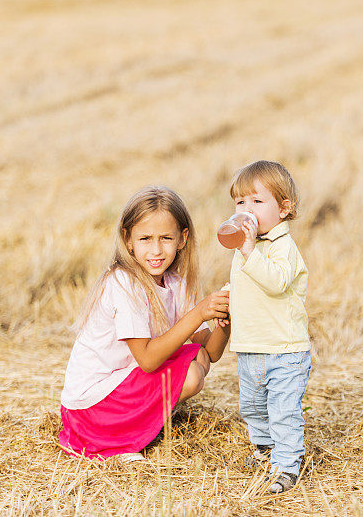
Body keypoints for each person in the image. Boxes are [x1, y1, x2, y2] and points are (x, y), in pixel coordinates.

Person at [58, 186, 231, 461]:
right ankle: (120, 441)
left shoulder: (176, 283)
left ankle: (140, 425)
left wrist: (225, 319)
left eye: (165, 238)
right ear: (128, 240)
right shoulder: (123, 282)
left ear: (182, 239)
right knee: (191, 374)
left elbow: (211, 352)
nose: (156, 249)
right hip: (90, 411)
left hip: (120, 389)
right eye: (145, 238)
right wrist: (197, 314)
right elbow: (148, 361)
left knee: (197, 358)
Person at [225, 160, 311, 493]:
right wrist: (227, 298)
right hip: (251, 347)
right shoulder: (247, 249)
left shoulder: (283, 248)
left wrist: (247, 251)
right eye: (240, 202)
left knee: (283, 411)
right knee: (253, 406)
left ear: (284, 209)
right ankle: (265, 448)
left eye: (256, 202)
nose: (246, 210)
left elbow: (274, 282)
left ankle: (287, 465)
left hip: (284, 349)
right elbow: (246, 283)